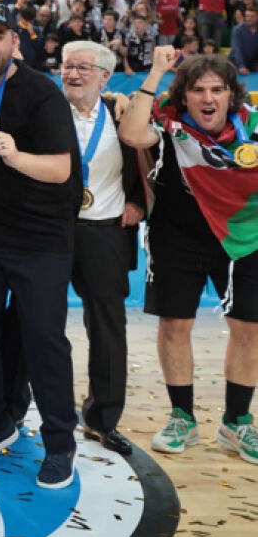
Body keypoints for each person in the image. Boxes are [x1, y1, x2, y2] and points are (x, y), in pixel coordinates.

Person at [0, 0, 82, 489]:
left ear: (14, 42)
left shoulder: (41, 94)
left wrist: (15, 155)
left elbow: (61, 169)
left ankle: (60, 442)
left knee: (44, 340)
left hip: (40, 236)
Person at [119, 47, 258, 465]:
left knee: (249, 329)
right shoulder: (168, 122)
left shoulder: (253, 126)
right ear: (184, 96)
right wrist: (155, 73)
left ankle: (236, 422)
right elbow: (131, 135)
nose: (208, 98)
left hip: (242, 236)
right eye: (198, 90)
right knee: (175, 325)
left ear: (232, 94)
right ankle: (182, 417)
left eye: (217, 89)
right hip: (177, 235)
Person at [60, 41, 147, 456]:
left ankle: (103, 419)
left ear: (105, 77)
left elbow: (150, 159)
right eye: (67, 66)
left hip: (105, 232)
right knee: (32, 321)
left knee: (108, 329)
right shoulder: (45, 109)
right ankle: (18, 410)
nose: (73, 74)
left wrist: (139, 202)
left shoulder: (122, 113)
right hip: (51, 232)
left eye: (83, 68)